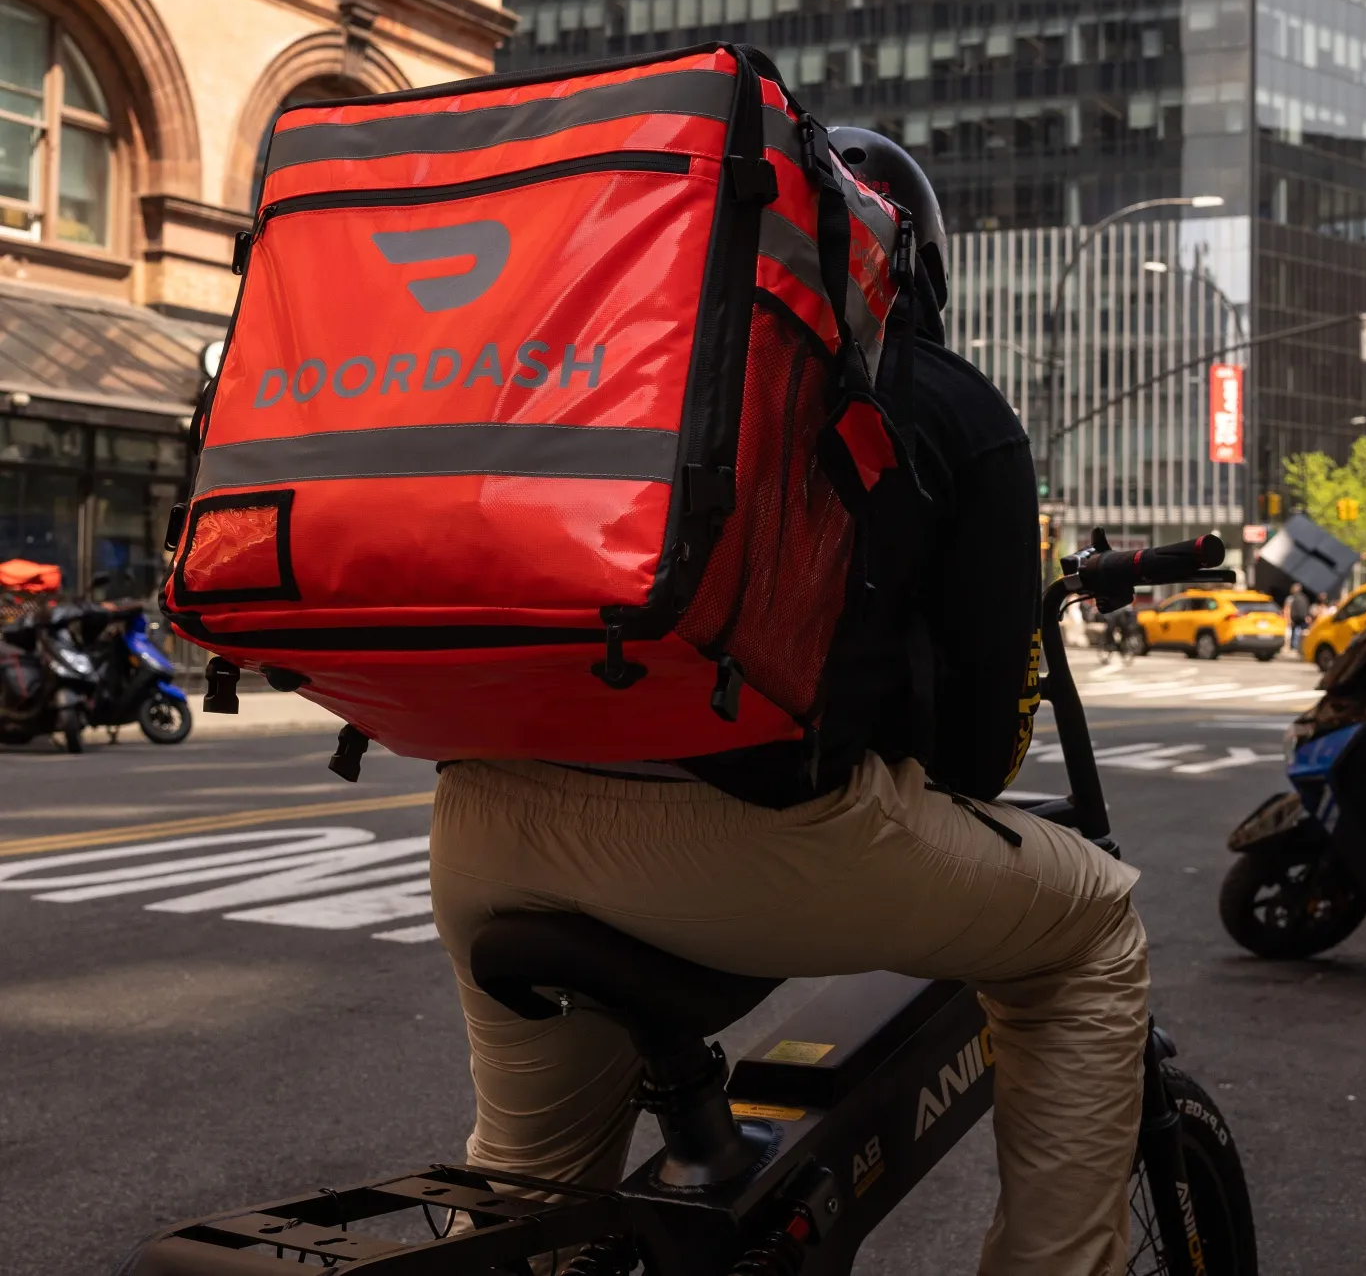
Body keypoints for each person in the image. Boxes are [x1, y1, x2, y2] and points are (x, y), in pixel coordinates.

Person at [425, 127, 1149, 1276]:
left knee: (526, 1207)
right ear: (913, 263)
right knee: (1091, 923)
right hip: (743, 839)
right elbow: (967, 758)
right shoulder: (948, 405)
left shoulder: (603, 367)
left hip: (484, 827)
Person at [1285, 581, 1314, 654]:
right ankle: (1297, 647)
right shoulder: (1302, 597)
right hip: (1300, 618)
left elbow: (1290, 609)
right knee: (1299, 633)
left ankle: (1296, 647)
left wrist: (1290, 619)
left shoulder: (1294, 598)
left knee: (1297, 633)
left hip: (1297, 618)